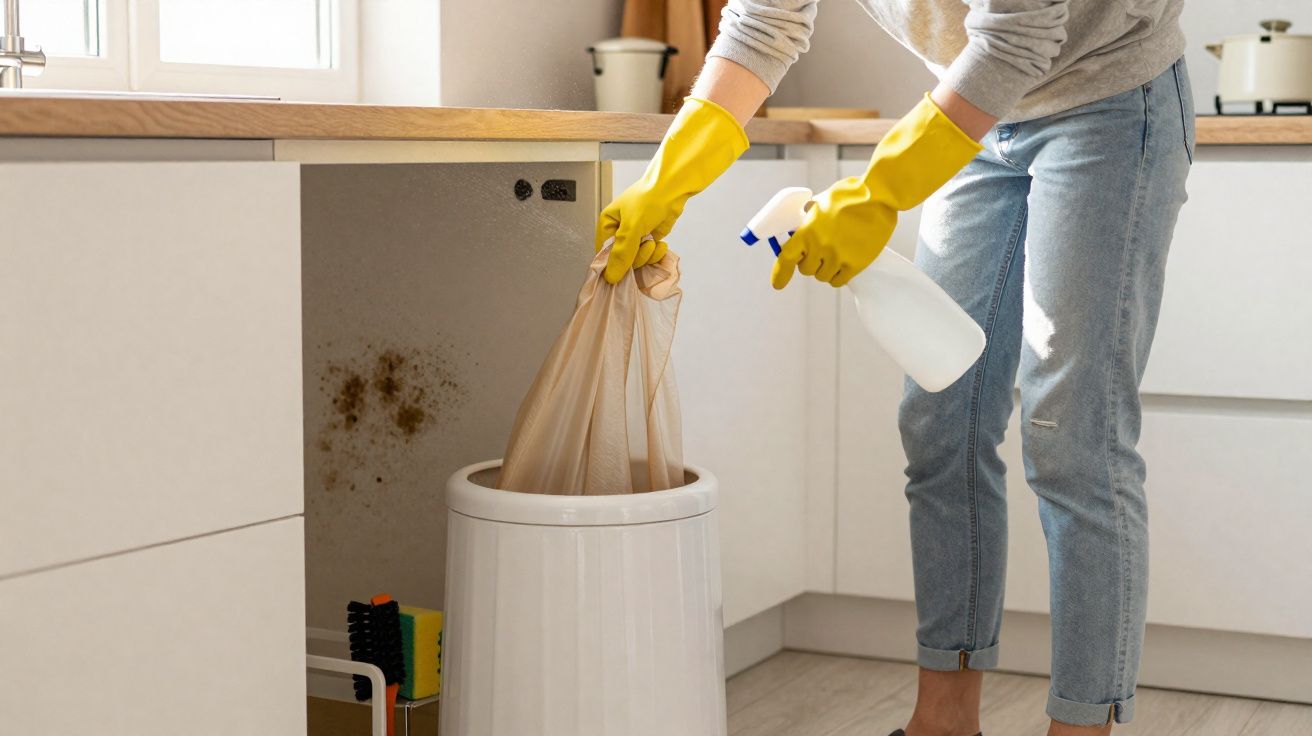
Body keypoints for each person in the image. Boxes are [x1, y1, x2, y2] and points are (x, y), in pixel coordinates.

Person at [596, 1, 1194, 734]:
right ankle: (943, 722)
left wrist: (877, 193)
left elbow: (1019, 34)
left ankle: (1081, 726)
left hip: (1106, 99)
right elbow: (761, 24)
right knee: (941, 420)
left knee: (1072, 436)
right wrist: (668, 179)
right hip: (971, 112)